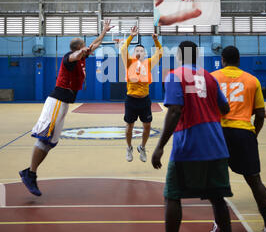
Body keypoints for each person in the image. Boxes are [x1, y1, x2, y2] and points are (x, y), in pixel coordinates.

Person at [140, 41, 240, 232]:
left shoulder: (175, 75)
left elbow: (175, 111)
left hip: (189, 145)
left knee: (173, 196)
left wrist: (159, 146)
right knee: (218, 198)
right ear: (197, 55)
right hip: (216, 144)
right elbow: (225, 108)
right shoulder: (210, 77)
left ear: (178, 56)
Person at [19, 20, 113, 196]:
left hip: (64, 104)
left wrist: (104, 31)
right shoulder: (69, 58)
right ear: (78, 47)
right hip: (57, 101)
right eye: (84, 46)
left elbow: (96, 44)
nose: (88, 49)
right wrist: (80, 52)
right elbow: (74, 56)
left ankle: (30, 172)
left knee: (51, 143)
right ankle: (30, 174)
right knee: (43, 137)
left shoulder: (83, 56)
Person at [210, 46, 266, 232]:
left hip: (219, 133)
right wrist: (253, 134)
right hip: (244, 133)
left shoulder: (212, 77)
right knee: (255, 181)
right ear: (239, 60)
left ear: (223, 59)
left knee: (217, 183)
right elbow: (260, 114)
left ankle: (218, 226)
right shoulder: (252, 80)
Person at [121, 26, 163, 163]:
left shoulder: (148, 63)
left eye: (142, 50)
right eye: (137, 50)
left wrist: (156, 41)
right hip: (131, 100)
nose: (139, 52)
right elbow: (122, 49)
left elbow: (160, 53)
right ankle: (129, 147)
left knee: (147, 126)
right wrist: (131, 36)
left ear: (145, 54)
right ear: (134, 53)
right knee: (129, 127)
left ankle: (142, 147)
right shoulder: (129, 63)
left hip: (144, 100)